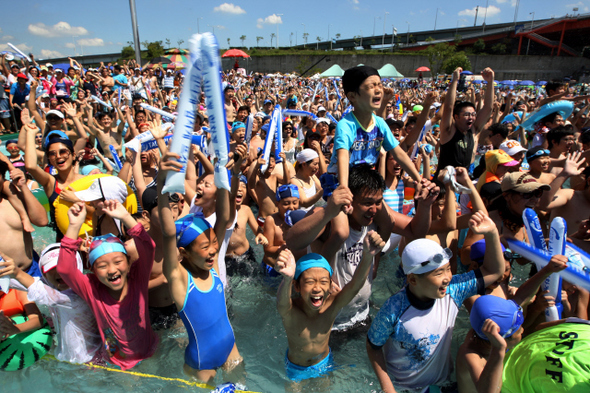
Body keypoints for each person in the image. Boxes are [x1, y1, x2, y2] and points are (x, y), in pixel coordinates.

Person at [366, 211, 505, 393]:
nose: (447, 277)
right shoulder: (394, 309)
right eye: (439, 273)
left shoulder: (453, 291)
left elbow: (494, 272)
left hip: (442, 385)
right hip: (404, 388)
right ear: (413, 279)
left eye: (448, 269)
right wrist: (388, 387)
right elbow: (373, 345)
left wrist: (492, 232)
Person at [157, 152, 243, 383]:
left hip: (231, 349)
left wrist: (225, 175)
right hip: (202, 362)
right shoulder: (180, 278)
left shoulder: (212, 265)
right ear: (184, 253)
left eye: (214, 243)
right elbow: (168, 233)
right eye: (205, 246)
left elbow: (224, 218)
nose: (213, 250)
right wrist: (161, 182)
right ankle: (187, 371)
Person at [57, 200, 158, 370]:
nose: (112, 270)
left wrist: (126, 217)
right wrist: (74, 226)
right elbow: (65, 269)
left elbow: (148, 246)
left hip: (150, 348)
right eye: (102, 266)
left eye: (118, 262)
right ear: (93, 270)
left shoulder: (137, 279)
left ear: (128, 262)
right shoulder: (92, 288)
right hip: (118, 362)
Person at [275, 230, 385, 382]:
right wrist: (286, 279)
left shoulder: (331, 306)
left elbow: (354, 286)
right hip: (296, 368)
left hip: (324, 363)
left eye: (323, 282)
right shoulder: (292, 311)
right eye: (309, 282)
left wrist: (368, 256)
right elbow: (281, 304)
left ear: (330, 286)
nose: (317, 288)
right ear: (297, 286)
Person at [0, 244, 101, 364]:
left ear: (78, 268)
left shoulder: (78, 296)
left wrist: (17, 272)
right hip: (68, 356)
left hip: (90, 360)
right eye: (52, 268)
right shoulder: (51, 286)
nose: (60, 272)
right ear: (44, 274)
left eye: (66, 267)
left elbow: (41, 291)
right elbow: (17, 283)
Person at [456, 295, 525, 393]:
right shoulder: (471, 356)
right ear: (500, 340)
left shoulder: (478, 332)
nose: (523, 330)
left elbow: (523, 297)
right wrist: (499, 349)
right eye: (518, 332)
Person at [438, 67, 495, 173]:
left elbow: (488, 108)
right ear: (456, 117)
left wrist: (490, 82)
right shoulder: (448, 131)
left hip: (466, 177)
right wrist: (455, 80)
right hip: (445, 182)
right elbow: (449, 108)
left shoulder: (474, 130)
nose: (471, 117)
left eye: (473, 114)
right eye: (467, 114)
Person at [225, 175, 268, 276]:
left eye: (244, 186)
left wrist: (260, 234)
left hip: (246, 255)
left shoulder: (246, 210)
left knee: (256, 277)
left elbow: (257, 230)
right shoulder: (221, 212)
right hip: (227, 258)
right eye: (236, 186)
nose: (240, 189)